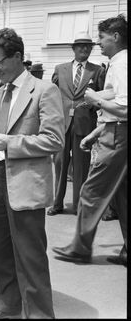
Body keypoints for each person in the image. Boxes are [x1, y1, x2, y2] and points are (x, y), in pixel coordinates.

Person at [0, 28, 64, 319]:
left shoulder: (45, 90)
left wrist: (10, 144)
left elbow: (55, 140)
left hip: (25, 183)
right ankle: (5, 305)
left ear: (18, 57)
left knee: (29, 254)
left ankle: (39, 313)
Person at [52, 14, 127, 267]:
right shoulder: (119, 62)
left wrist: (96, 100)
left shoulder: (121, 63)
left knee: (91, 191)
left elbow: (125, 108)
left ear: (115, 37)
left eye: (102, 39)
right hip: (114, 132)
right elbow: (117, 97)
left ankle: (80, 248)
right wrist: (98, 130)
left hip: (118, 136)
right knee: (123, 196)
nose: (99, 43)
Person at [47, 32, 106, 216]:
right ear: (73, 48)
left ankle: (79, 205)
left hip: (85, 123)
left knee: (81, 167)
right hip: (62, 123)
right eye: (80, 45)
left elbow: (103, 96)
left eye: (88, 46)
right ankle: (57, 204)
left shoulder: (97, 71)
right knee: (59, 164)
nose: (85, 49)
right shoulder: (60, 69)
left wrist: (92, 106)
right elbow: (53, 94)